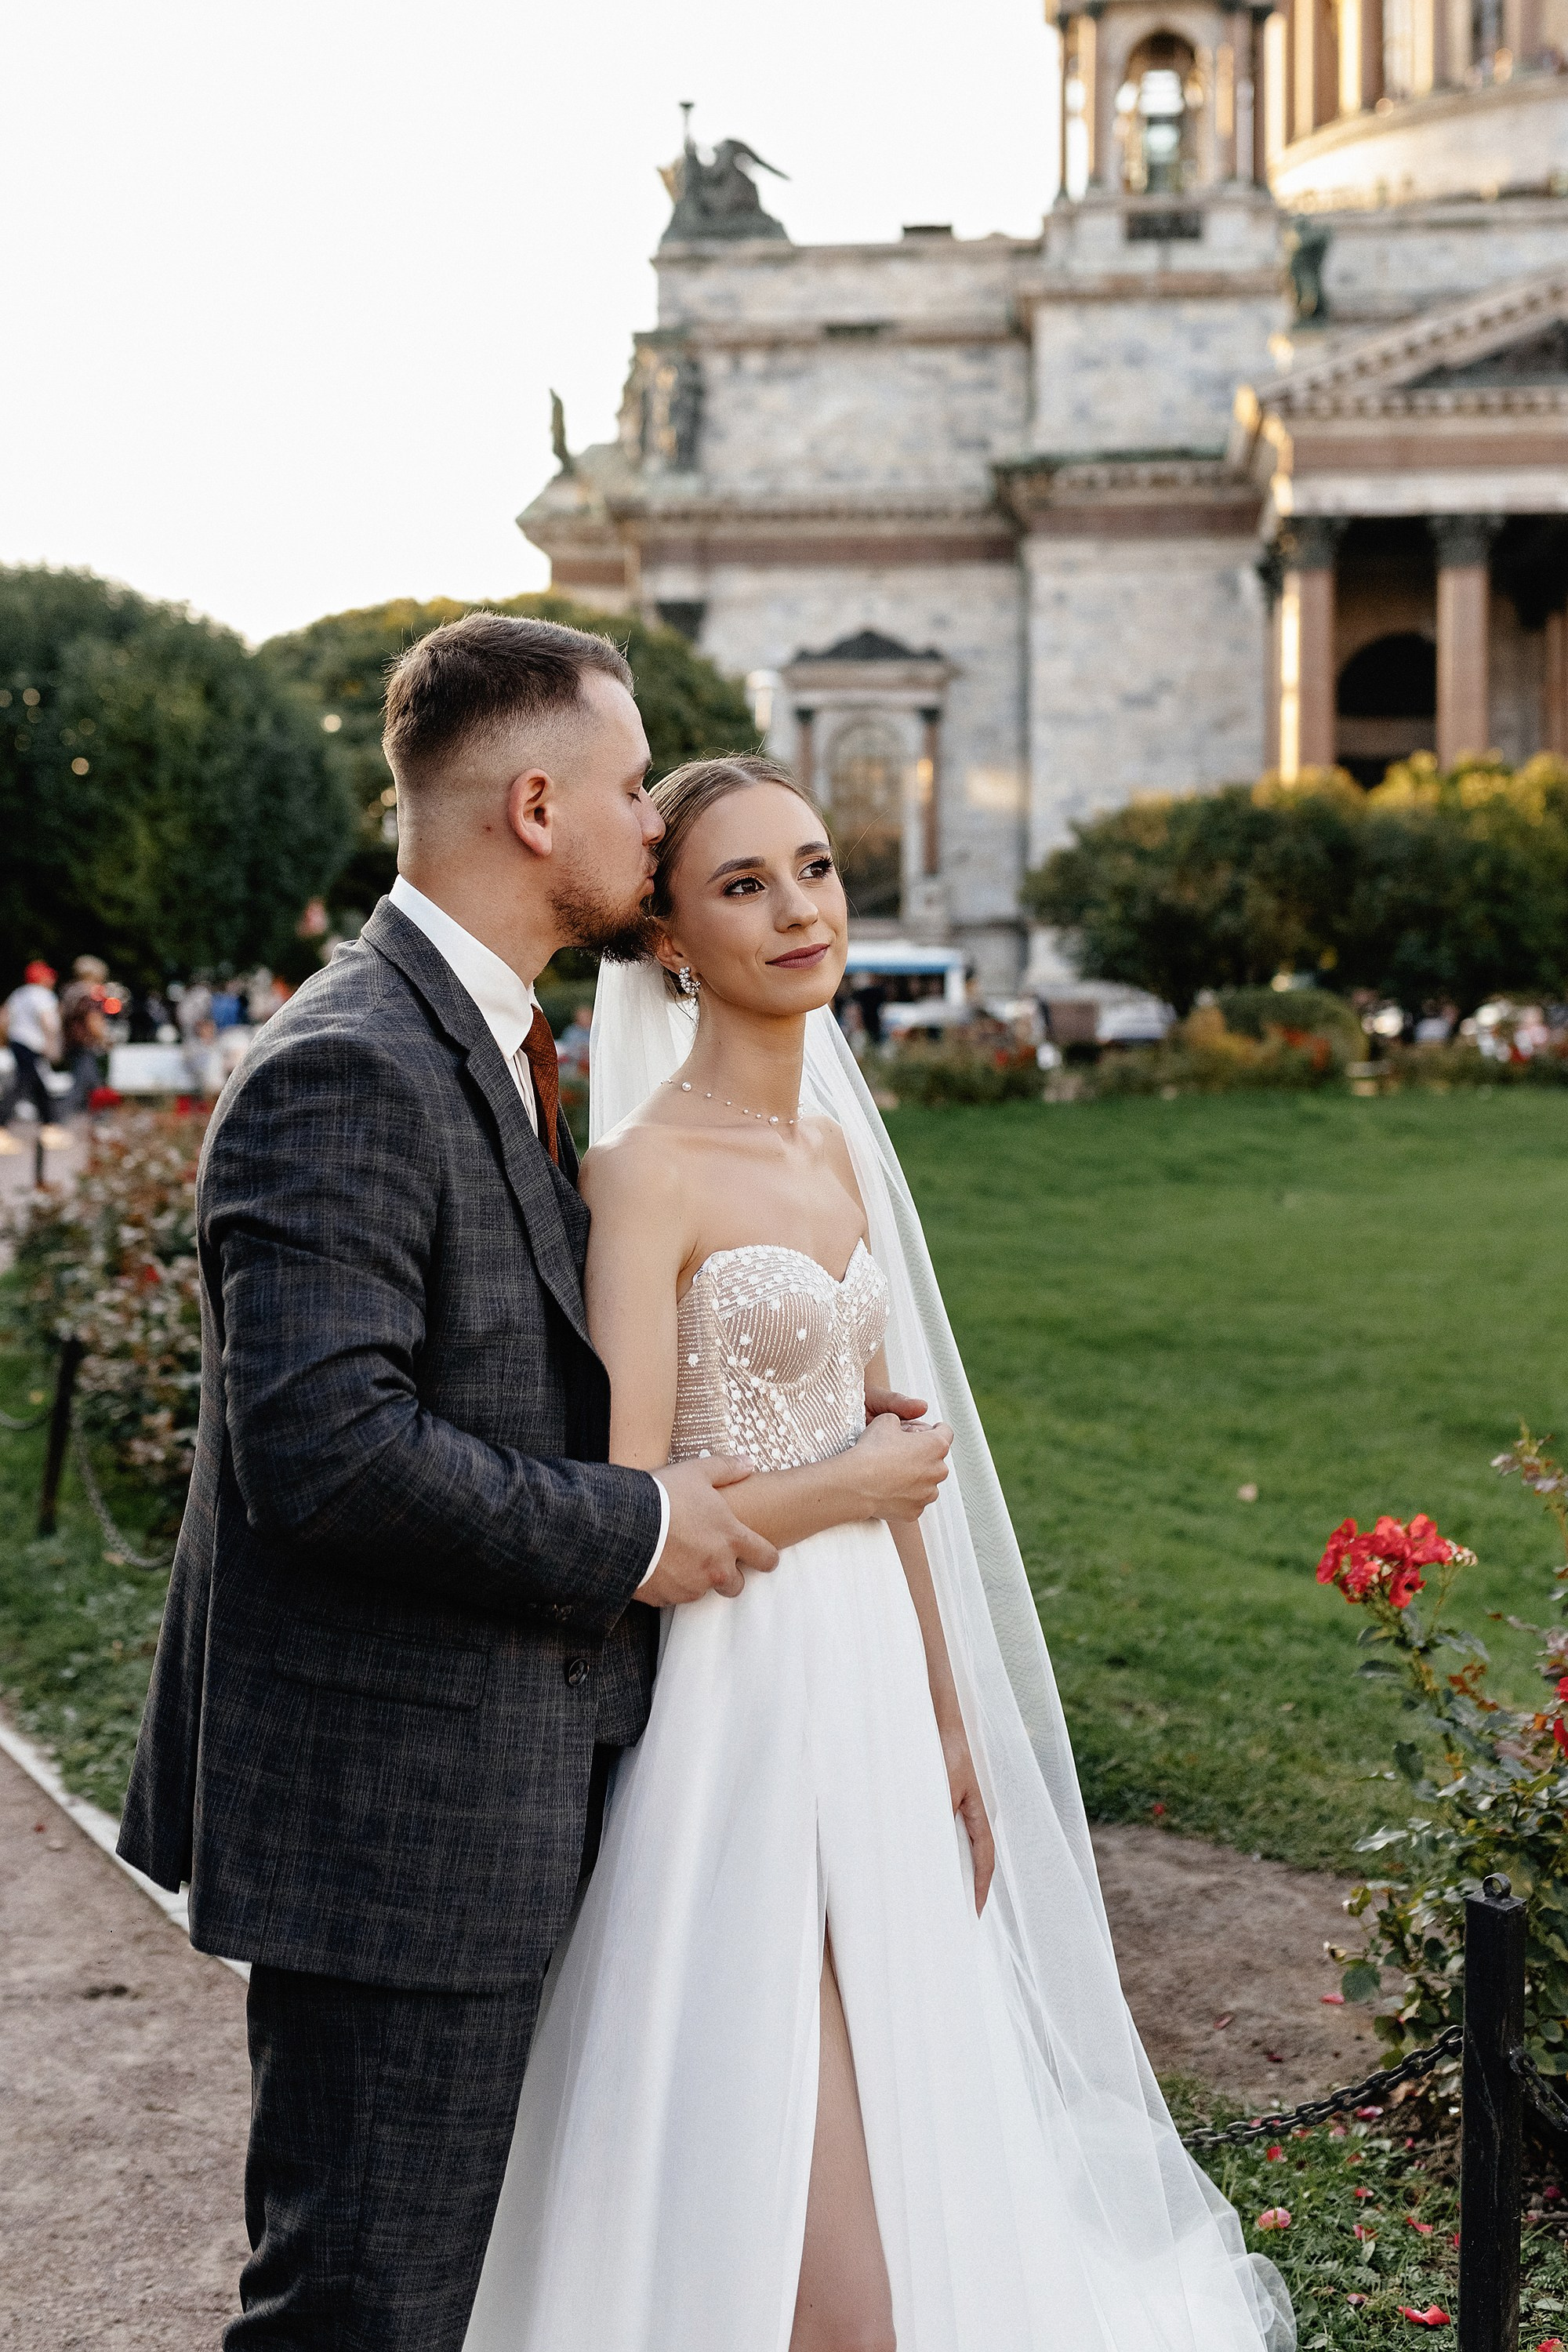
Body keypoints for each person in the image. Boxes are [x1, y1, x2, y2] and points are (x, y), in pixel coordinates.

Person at [116, 616, 949, 2350]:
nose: (655, 826)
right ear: (539, 807)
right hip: (393, 1821)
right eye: (641, 789)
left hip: (509, 1783)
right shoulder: (348, 1060)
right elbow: (326, 1451)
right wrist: (646, 1527)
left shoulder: (487, 1041)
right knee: (361, 2308)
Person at [462, 757, 1294, 2352]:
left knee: (914, 2120)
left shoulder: (835, 1160)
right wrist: (845, 1485)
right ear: (670, 942)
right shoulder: (640, 1171)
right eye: (743, 886)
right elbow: (628, 1511)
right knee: (804, 2217)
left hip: (873, 1689)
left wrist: (949, 1721)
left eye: (817, 869)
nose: (800, 910)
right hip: (743, 1703)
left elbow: (897, 1465)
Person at [4, 959, 67, 1138]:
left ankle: (49, 1124)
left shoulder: (19, 993)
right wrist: (52, 1046)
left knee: (35, 1084)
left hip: (17, 1042)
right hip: (33, 1045)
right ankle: (3, 1125)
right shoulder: (42, 995)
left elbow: (5, 1018)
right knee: (24, 1084)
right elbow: (47, 1022)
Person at [59, 955, 111, 1111]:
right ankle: (62, 1119)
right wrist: (105, 1038)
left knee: (92, 1083)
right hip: (85, 1043)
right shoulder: (90, 994)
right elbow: (93, 1020)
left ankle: (97, 1118)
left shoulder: (69, 992)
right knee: (82, 1086)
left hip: (72, 1042)